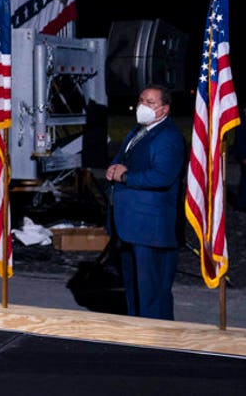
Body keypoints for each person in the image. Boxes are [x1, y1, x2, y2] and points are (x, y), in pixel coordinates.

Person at [105, 85, 186, 321]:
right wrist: (114, 168)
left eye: (150, 102)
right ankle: (137, 333)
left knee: (153, 293)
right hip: (130, 227)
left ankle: (157, 340)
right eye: (141, 100)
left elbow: (163, 176)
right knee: (134, 289)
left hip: (152, 229)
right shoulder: (137, 131)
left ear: (164, 109)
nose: (143, 106)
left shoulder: (168, 137)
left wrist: (126, 176)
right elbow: (123, 160)